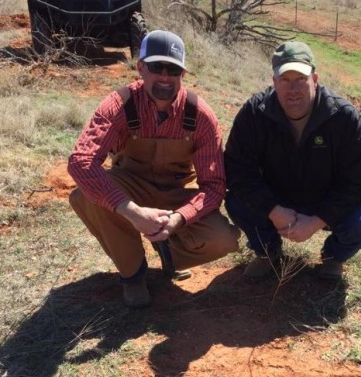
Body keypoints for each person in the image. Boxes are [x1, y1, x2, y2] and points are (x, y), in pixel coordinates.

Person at [67, 30, 240, 307]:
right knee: (87, 194)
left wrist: (178, 219)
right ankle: (133, 274)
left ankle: (168, 250)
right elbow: (81, 161)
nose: (164, 76)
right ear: (140, 67)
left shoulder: (200, 115)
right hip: (130, 187)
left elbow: (215, 186)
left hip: (175, 192)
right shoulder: (119, 105)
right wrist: (132, 212)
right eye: (156, 67)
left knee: (223, 239)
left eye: (173, 69)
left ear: (183, 73)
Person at [224, 41, 361, 281]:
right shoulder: (255, 112)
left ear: (315, 78)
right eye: (285, 80)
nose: (293, 89)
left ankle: (333, 258)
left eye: (300, 79)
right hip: (277, 200)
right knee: (236, 201)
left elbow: (360, 181)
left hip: (324, 202)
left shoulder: (344, 117)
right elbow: (237, 169)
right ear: (274, 81)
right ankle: (269, 252)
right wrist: (273, 210)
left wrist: (318, 220)